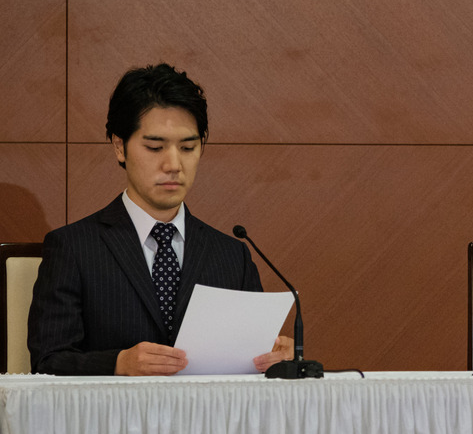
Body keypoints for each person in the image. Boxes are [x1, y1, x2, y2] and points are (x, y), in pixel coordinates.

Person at [28, 63, 293, 375]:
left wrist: (277, 360)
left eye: (188, 147)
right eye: (155, 147)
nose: (173, 164)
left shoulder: (233, 256)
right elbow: (48, 362)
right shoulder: (73, 248)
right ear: (119, 146)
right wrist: (116, 363)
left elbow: (252, 366)